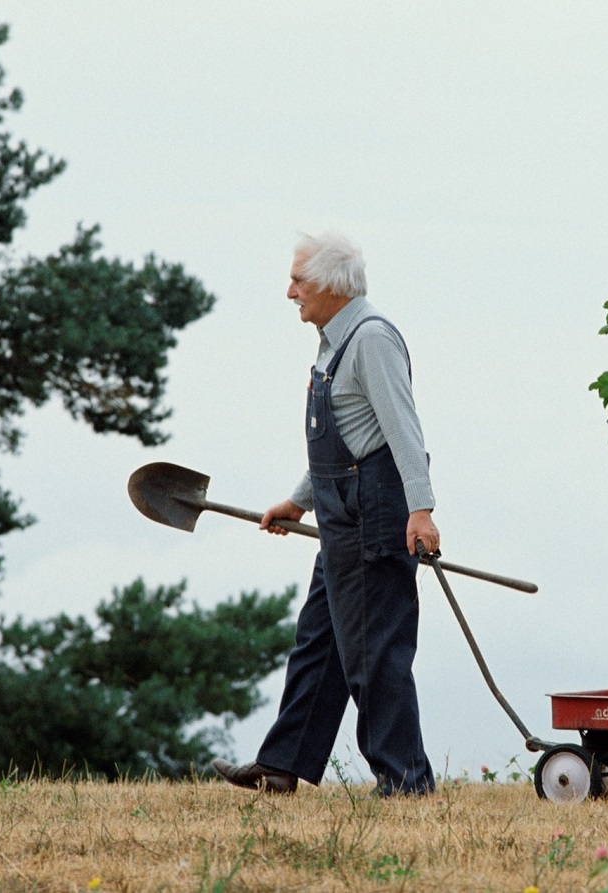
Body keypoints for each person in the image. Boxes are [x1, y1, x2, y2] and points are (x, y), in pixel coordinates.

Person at [212, 230, 439, 797]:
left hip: (375, 516)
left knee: (373, 652)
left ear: (334, 285)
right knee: (321, 642)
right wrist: (299, 499)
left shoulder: (371, 340)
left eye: (299, 280)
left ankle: (407, 782)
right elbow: (347, 443)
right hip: (341, 513)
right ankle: (282, 765)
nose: (290, 291)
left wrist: (422, 511)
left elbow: (402, 434)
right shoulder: (334, 341)